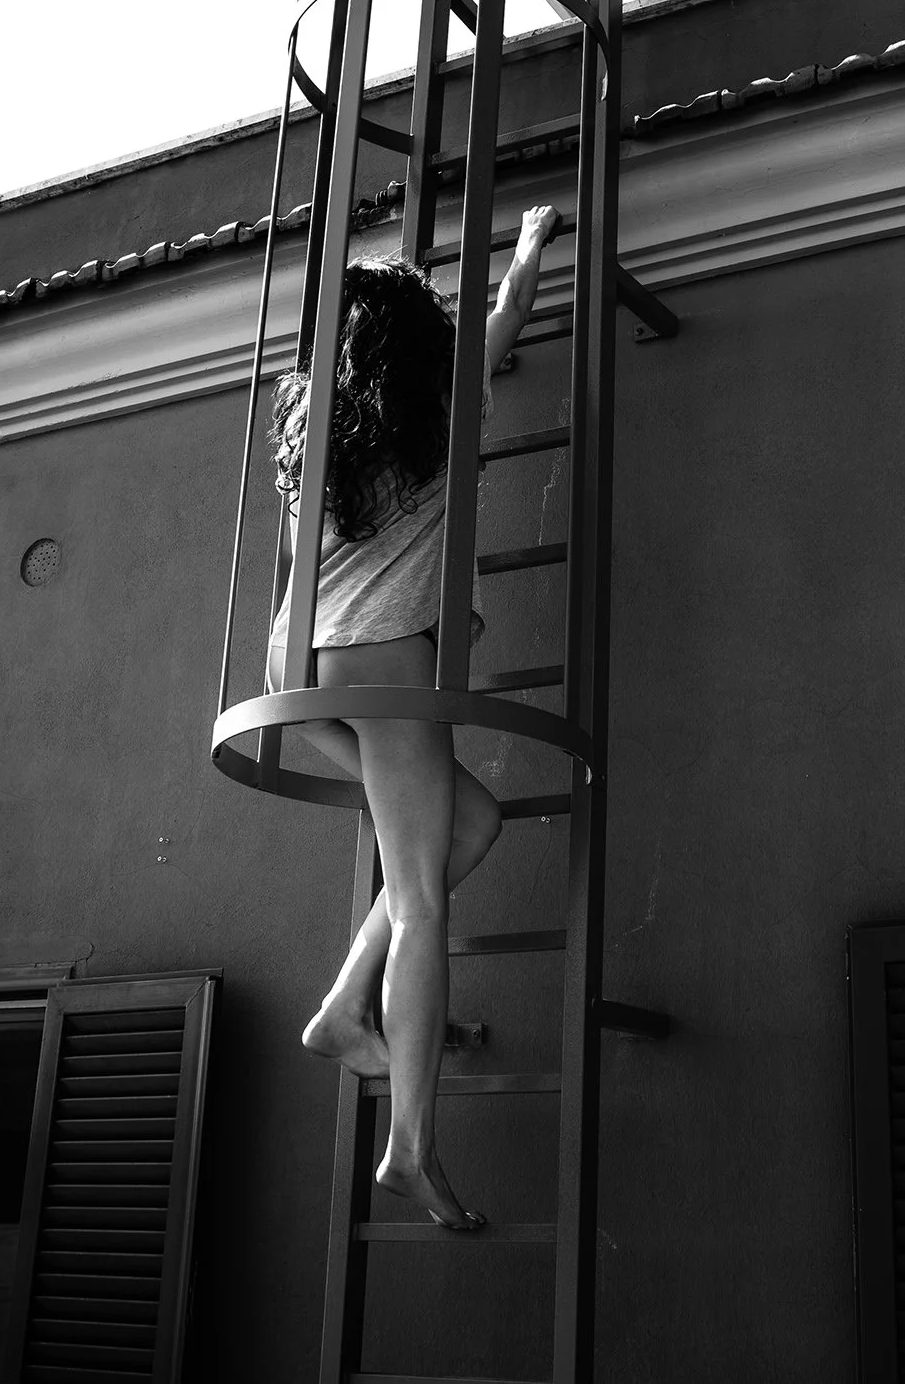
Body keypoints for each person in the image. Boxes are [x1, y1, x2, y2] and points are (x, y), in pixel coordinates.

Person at [267, 203, 560, 1233]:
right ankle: (409, 1145)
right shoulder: (446, 398)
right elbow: (510, 306)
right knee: (426, 900)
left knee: (466, 824)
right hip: (383, 662)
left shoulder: (315, 430)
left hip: (299, 664)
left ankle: (345, 1006)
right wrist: (531, 239)